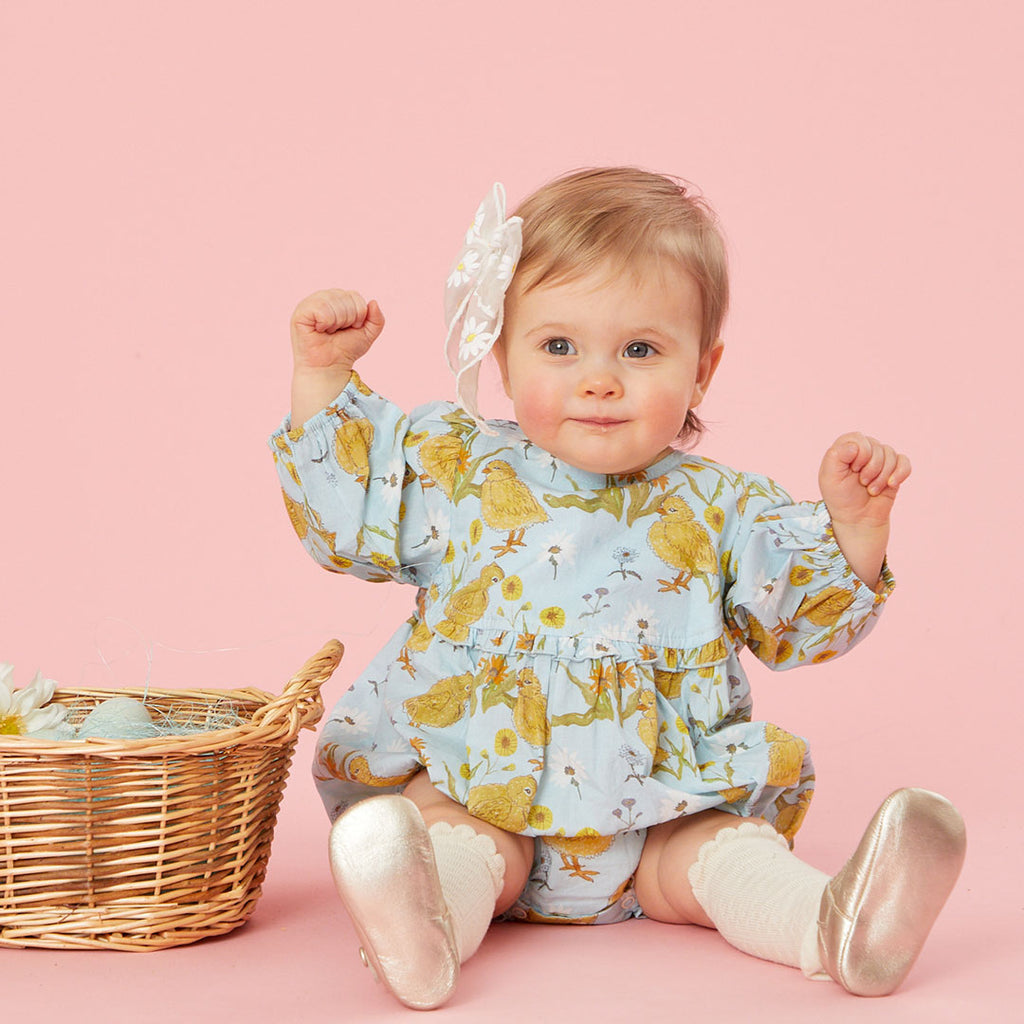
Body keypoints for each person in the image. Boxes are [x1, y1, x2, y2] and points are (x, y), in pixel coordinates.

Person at [269, 168, 965, 1010]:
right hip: (478, 780)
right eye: (559, 347)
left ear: (702, 371)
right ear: (501, 355)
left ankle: (832, 925)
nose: (600, 379)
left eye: (640, 350)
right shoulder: (459, 472)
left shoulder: (725, 507)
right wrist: (323, 376)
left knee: (719, 850)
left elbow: (799, 623)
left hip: (660, 804)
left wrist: (855, 532)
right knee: (446, 828)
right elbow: (347, 515)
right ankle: (425, 927)